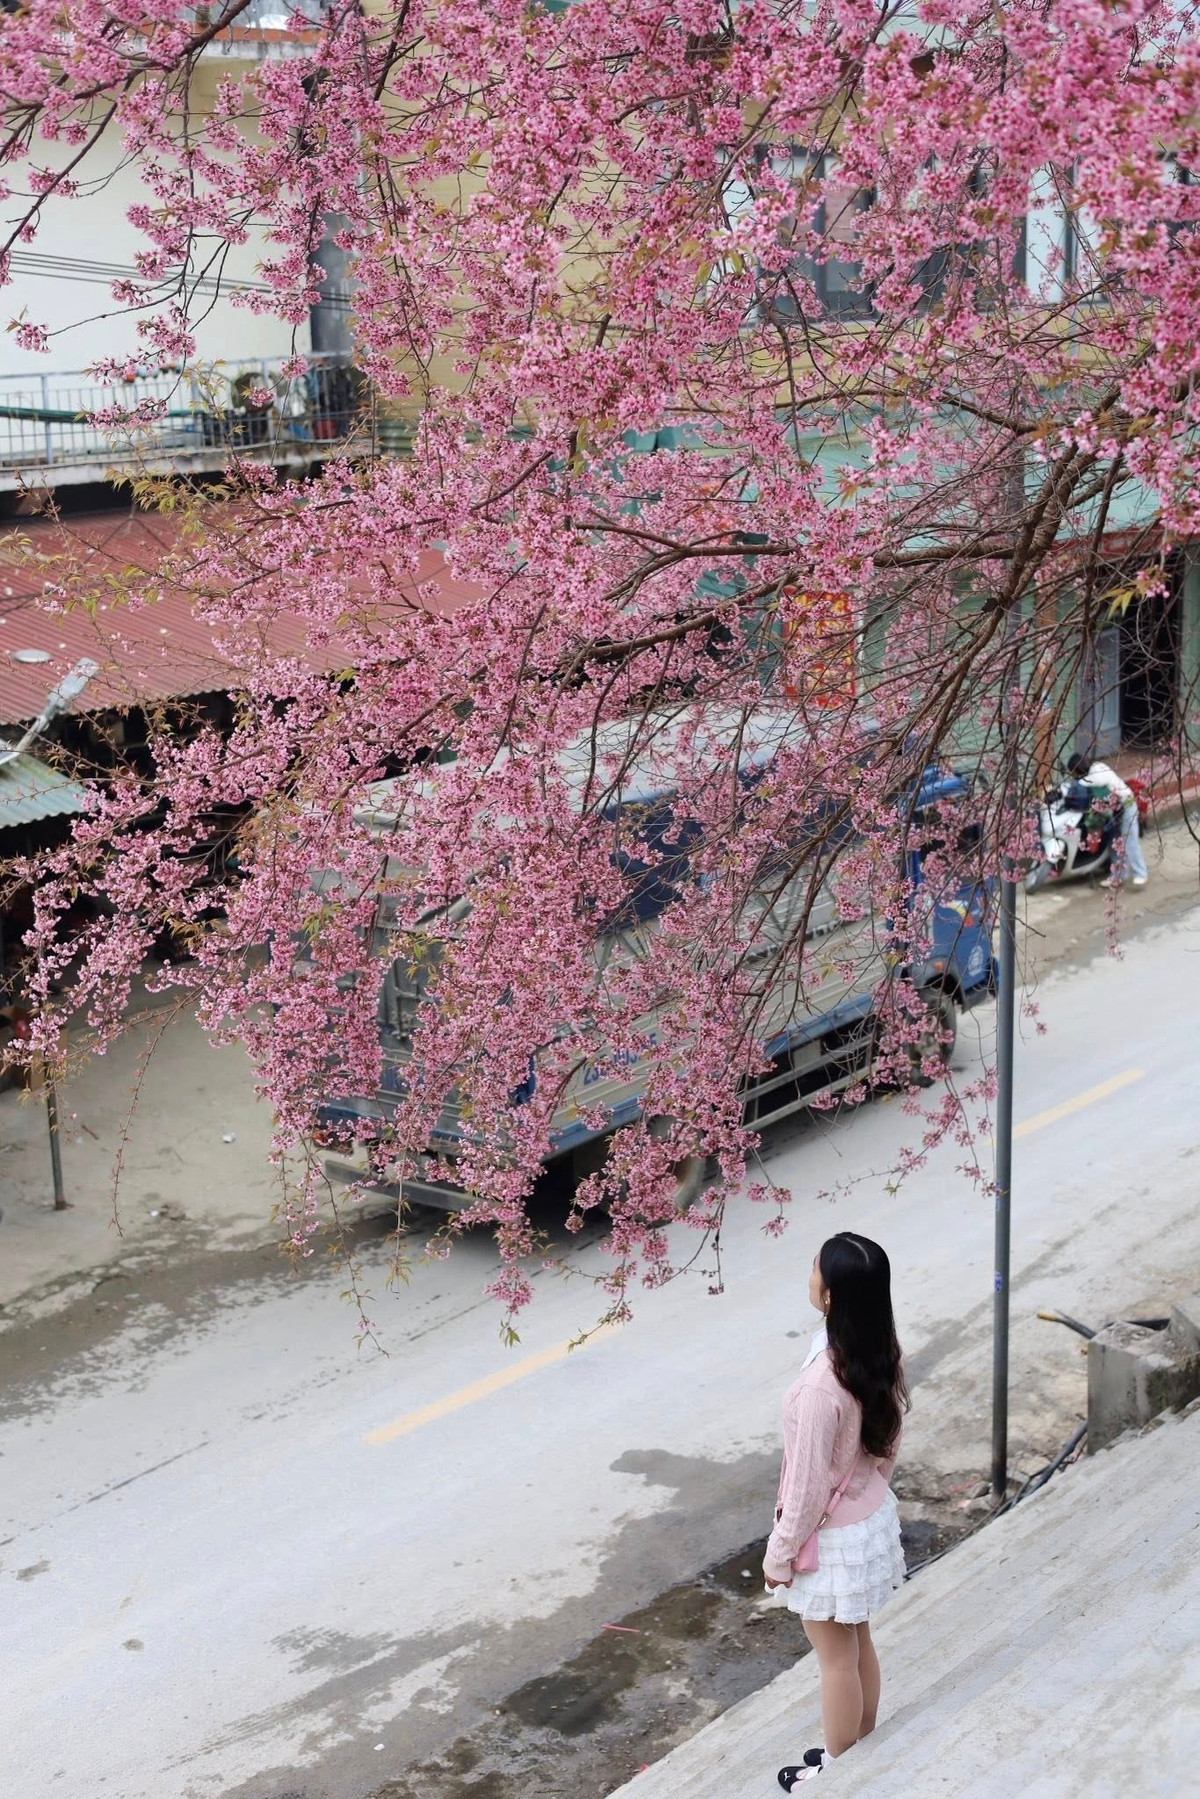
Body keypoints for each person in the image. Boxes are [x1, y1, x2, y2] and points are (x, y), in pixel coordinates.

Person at [764, 1233, 908, 1788]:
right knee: (859, 1640)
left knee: (834, 1659)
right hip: (868, 1521)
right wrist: (868, 1490)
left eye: (814, 1267)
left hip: (831, 1543)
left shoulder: (818, 1389)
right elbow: (890, 1437)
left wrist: (779, 1557)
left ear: (830, 1296)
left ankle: (839, 1768)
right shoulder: (879, 1347)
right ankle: (861, 1743)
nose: (810, 1273)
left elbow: (802, 1490)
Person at [1065, 752, 1148, 888]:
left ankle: (1141, 874)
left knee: (1129, 842)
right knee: (1114, 843)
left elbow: (1086, 790)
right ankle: (1118, 876)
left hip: (1126, 806)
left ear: (1078, 770)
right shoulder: (1098, 766)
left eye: (1073, 772)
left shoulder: (1094, 778)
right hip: (1114, 810)